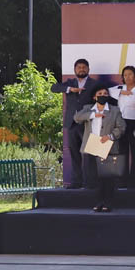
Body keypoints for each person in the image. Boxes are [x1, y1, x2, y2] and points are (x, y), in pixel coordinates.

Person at [74, 87, 125, 212]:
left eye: (105, 94)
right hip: (91, 145)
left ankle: (108, 202)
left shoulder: (114, 110)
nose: (103, 95)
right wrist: (93, 115)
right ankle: (98, 202)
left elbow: (122, 127)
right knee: (94, 177)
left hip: (107, 146)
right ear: (94, 97)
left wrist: (110, 136)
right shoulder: (88, 108)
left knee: (107, 177)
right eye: (100, 94)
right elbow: (77, 117)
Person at [51, 58, 99, 188]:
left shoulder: (94, 84)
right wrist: (70, 89)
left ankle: (91, 182)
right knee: (74, 153)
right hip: (71, 123)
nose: (81, 69)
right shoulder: (70, 83)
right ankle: (76, 182)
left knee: (90, 153)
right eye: (79, 67)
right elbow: (54, 88)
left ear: (88, 69)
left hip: (88, 124)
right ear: (75, 70)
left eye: (84, 67)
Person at [108, 65, 135, 189]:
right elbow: (106, 90)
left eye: (130, 74)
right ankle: (121, 181)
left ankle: (134, 182)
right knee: (121, 153)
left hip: (134, 125)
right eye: (125, 75)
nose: (127, 77)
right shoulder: (119, 88)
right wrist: (121, 92)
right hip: (120, 124)